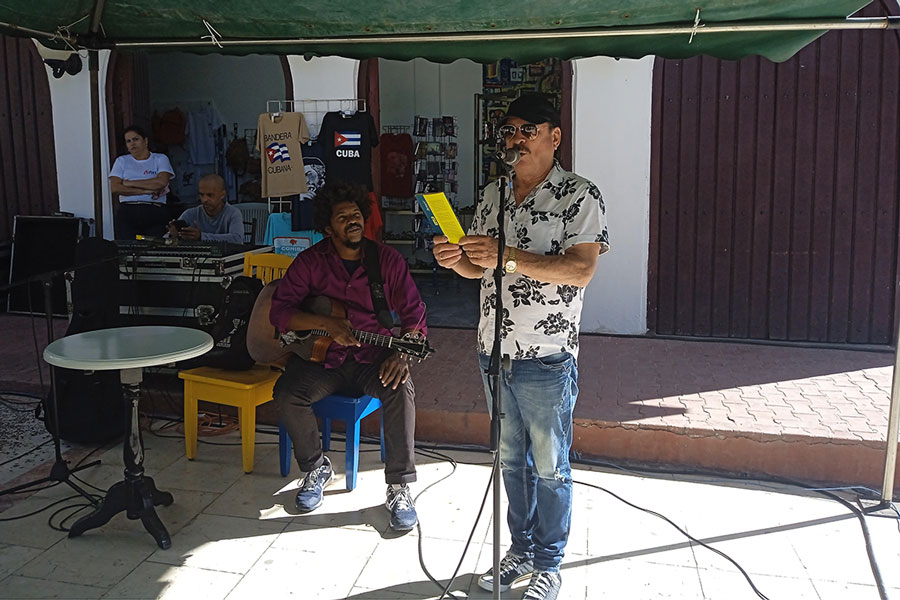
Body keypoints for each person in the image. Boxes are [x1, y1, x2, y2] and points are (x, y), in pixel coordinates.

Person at [432, 95, 609, 600]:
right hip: (493, 351)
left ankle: (550, 562)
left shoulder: (579, 196)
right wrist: (455, 260)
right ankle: (521, 549)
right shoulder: (493, 195)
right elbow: (477, 267)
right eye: (508, 131)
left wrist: (506, 256)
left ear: (555, 137)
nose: (515, 139)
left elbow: (580, 270)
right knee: (510, 461)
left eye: (527, 130)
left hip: (547, 354)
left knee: (551, 466)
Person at [269, 181, 427, 531]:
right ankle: (315, 468)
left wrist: (403, 354)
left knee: (401, 389)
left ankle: (399, 486)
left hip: (375, 357)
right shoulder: (310, 262)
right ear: (328, 227)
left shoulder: (386, 259)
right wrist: (325, 323)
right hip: (323, 360)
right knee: (286, 393)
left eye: (356, 215)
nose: (352, 221)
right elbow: (280, 312)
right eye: (342, 218)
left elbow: (414, 313)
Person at [109, 125, 174, 239]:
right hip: (128, 211)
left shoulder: (160, 159)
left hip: (155, 210)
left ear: (146, 140)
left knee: (155, 247)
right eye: (128, 141)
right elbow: (115, 188)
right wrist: (147, 190)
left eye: (135, 139)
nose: (132, 143)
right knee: (129, 248)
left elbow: (161, 183)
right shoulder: (121, 161)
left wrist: (129, 183)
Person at [167, 174, 244, 244]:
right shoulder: (190, 214)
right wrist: (174, 236)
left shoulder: (233, 213)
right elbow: (164, 239)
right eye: (201, 195)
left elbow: (237, 239)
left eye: (210, 195)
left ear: (222, 194)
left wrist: (201, 236)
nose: (204, 199)